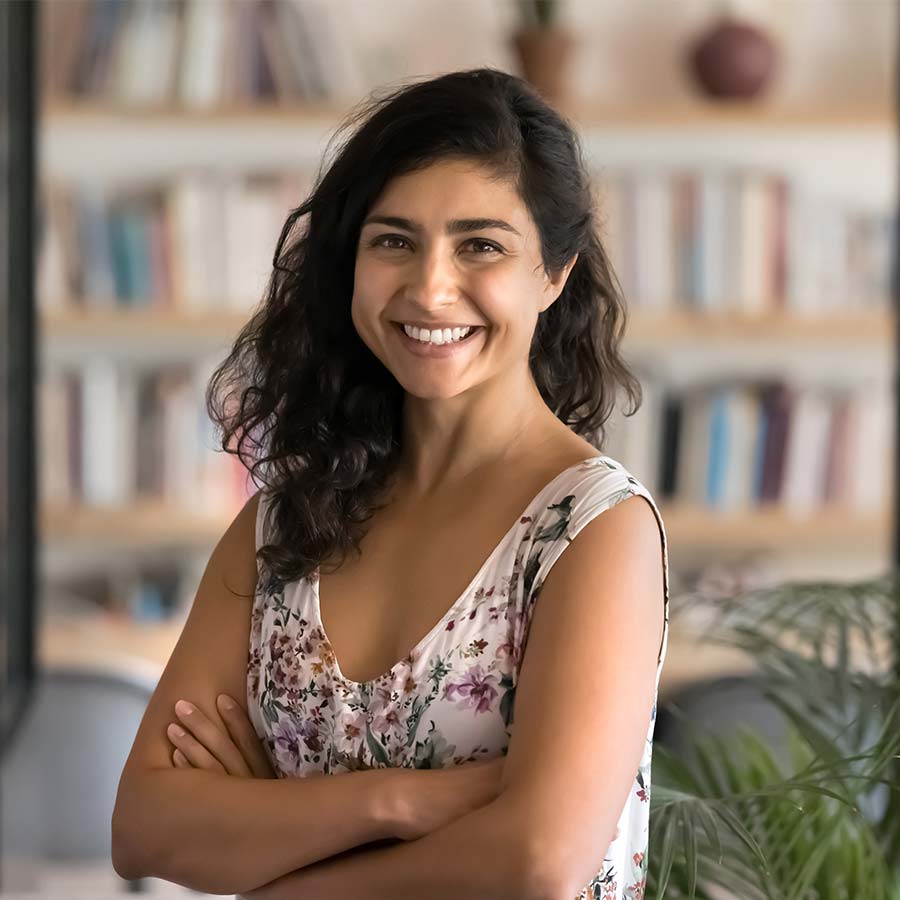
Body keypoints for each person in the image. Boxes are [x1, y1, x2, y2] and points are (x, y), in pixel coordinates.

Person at [112, 67, 669, 900]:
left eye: (481, 245)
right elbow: (145, 828)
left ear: (553, 275)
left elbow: (536, 863)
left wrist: (276, 848)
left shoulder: (592, 528)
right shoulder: (281, 525)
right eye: (393, 241)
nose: (429, 287)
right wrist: (399, 802)